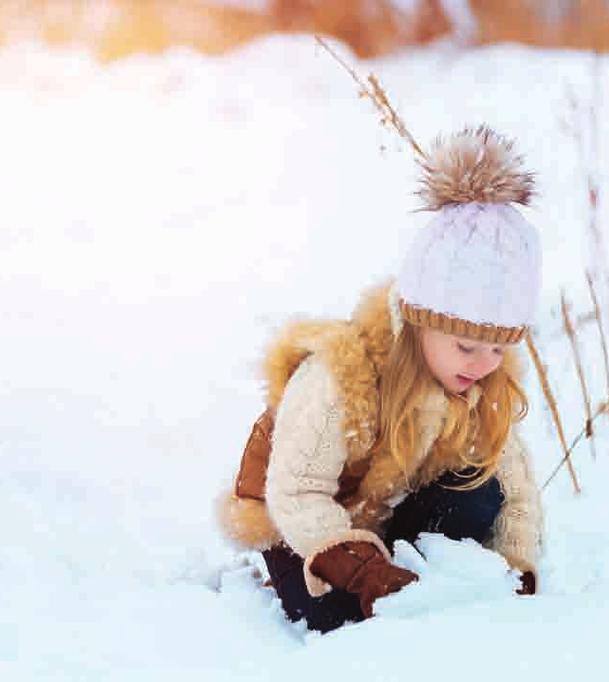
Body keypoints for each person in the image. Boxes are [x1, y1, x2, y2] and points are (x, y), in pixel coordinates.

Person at [217, 125, 544, 633]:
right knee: (342, 617)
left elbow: (514, 486)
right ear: (419, 322)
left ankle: (408, 574)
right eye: (466, 345)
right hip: (297, 522)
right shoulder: (339, 378)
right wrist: (361, 568)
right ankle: (356, 574)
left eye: (499, 347)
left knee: (480, 489)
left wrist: (513, 566)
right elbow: (297, 493)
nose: (483, 364)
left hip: (382, 512)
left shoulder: (482, 383)